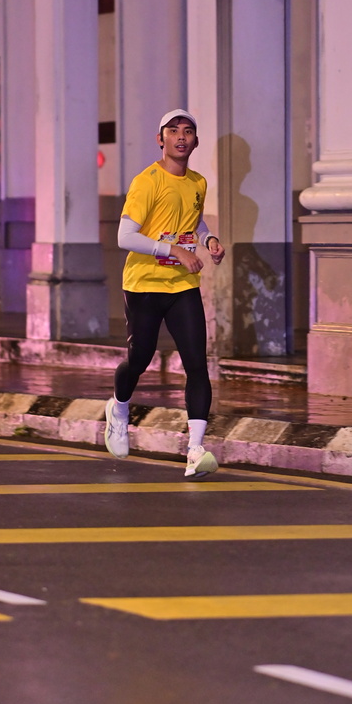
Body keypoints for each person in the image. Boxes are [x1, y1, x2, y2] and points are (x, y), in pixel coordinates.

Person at [104, 110, 225, 478]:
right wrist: (173, 250)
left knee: (197, 364)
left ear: (196, 141)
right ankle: (119, 408)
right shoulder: (147, 182)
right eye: (173, 131)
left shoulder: (198, 182)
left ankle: (195, 450)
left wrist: (208, 239)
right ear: (161, 139)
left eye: (188, 131)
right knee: (139, 360)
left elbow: (193, 219)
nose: (181, 137)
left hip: (182, 286)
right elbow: (125, 237)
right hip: (143, 284)